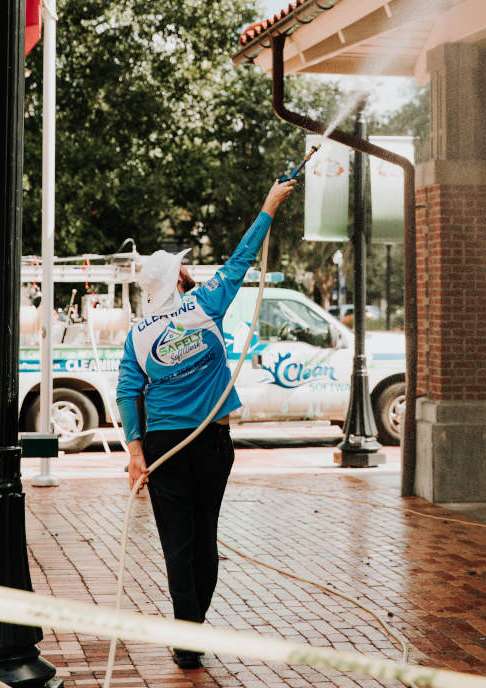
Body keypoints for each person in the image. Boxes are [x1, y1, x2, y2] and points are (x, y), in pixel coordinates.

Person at [116, 178, 296, 670]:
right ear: (176, 280)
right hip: (210, 443)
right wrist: (267, 207)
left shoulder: (136, 336)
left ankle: (187, 632)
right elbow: (240, 261)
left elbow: (128, 393)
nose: (187, 269)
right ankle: (190, 631)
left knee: (180, 540)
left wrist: (136, 455)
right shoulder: (204, 303)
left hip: (162, 448)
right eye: (181, 267)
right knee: (202, 536)